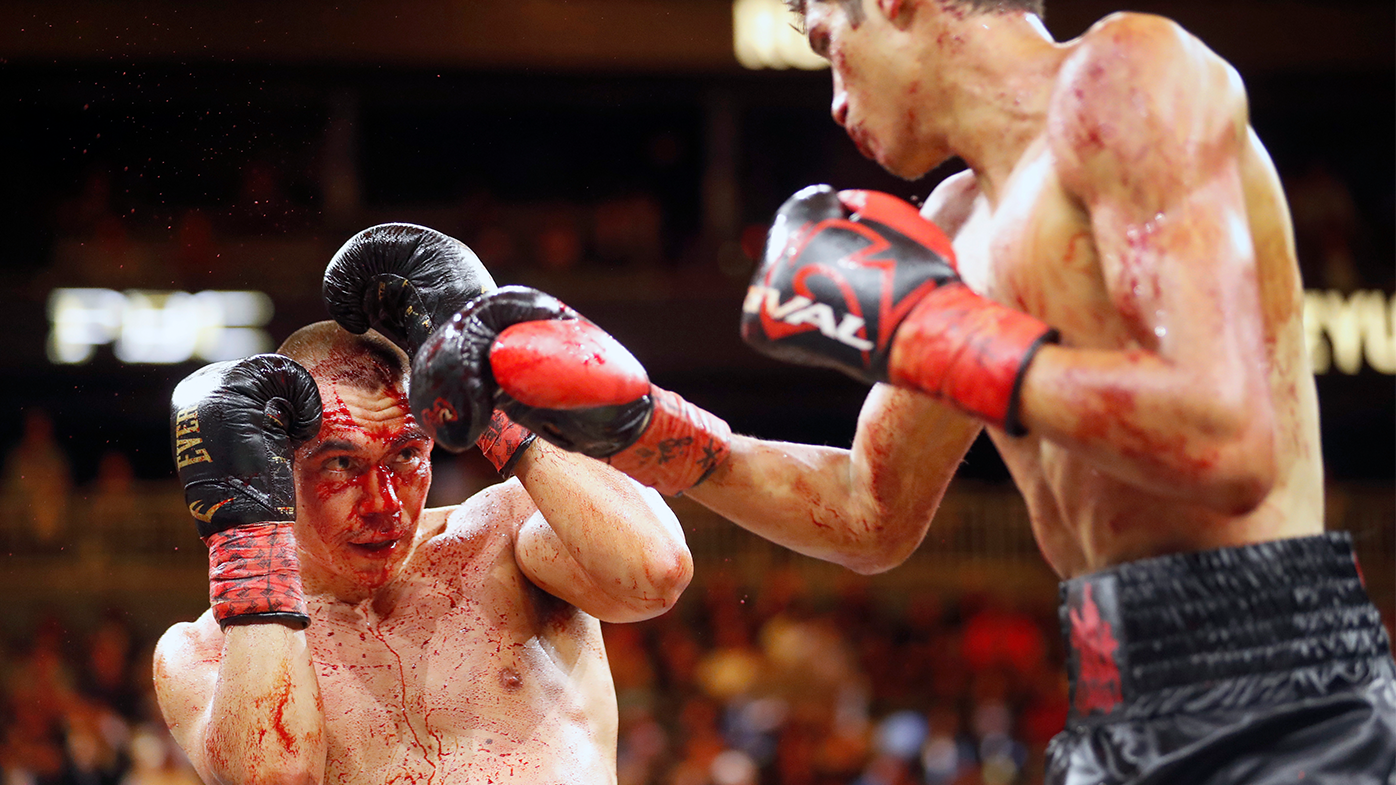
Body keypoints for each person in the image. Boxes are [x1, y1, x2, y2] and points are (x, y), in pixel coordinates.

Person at [348, 3, 1396, 783]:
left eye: (824, 40)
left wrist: (943, 336)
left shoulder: (1127, 76)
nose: (829, 85)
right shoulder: (955, 222)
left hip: (1276, 674)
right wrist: (640, 424)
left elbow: (1226, 440)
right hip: (1112, 685)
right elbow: (869, 509)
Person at [152, 226, 692, 785]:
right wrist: (250, 544)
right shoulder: (201, 652)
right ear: (275, 467)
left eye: (408, 455)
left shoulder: (504, 533)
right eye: (341, 464)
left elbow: (656, 572)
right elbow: (274, 777)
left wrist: (497, 396)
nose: (384, 503)